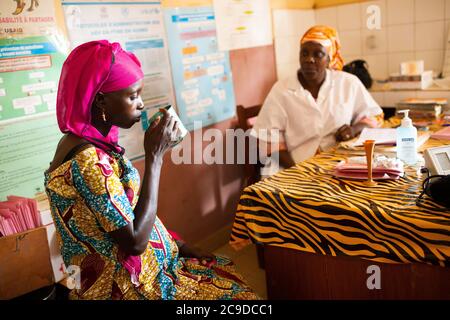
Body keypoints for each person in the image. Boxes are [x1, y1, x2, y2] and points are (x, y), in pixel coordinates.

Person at [44, 40, 258, 300]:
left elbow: (125, 212)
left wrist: (180, 246)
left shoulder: (93, 144)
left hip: (150, 270)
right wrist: (155, 157)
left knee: (225, 271)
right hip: (124, 288)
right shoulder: (87, 161)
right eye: (133, 96)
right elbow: (134, 242)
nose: (141, 104)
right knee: (238, 297)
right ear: (101, 100)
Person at [252, 25, 383, 175]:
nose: (309, 60)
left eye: (318, 54)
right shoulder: (282, 90)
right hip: (292, 168)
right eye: (304, 53)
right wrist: (300, 172)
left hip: (339, 164)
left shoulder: (348, 83)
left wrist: (353, 129)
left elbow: (375, 117)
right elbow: (268, 140)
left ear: (329, 59)